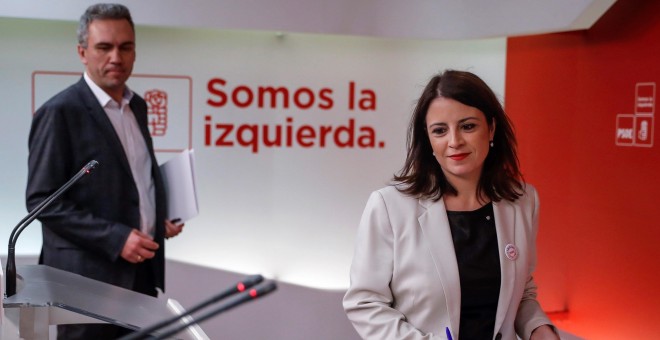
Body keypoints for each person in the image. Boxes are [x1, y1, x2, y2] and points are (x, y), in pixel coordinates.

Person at [342, 70, 559, 340]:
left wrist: (538, 328)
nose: (454, 141)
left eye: (468, 126)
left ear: (491, 128)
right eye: (440, 130)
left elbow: (522, 292)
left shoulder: (523, 200)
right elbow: (365, 303)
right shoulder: (389, 206)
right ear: (428, 139)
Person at [26, 3, 184, 339]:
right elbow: (42, 200)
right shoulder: (60, 112)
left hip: (140, 272)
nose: (116, 57)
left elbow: (133, 181)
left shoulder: (137, 106)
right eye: (104, 47)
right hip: (85, 282)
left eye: (125, 47)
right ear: (82, 52)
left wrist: (157, 217)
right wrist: (116, 238)